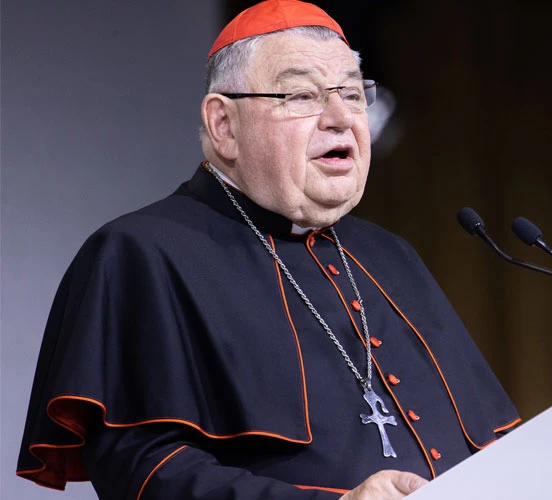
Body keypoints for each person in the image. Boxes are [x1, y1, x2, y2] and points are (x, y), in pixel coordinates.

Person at [15, 1, 520, 498]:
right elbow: (144, 469)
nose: (341, 117)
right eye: (302, 95)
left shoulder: (390, 255)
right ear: (224, 126)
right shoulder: (140, 253)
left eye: (352, 92)